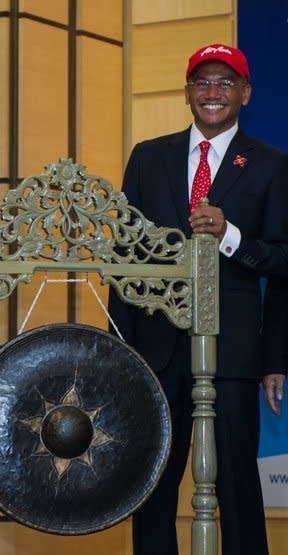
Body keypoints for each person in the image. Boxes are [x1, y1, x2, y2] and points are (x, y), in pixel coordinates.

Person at [108, 44, 288, 555]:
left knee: (236, 487)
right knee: (153, 488)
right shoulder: (148, 156)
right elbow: (124, 262)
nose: (213, 92)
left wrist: (230, 235)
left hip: (232, 355)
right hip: (156, 350)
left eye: (226, 83)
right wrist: (117, 352)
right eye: (202, 82)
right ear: (187, 92)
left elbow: (282, 264)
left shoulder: (272, 166)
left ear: (246, 93)